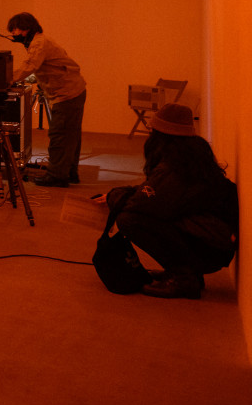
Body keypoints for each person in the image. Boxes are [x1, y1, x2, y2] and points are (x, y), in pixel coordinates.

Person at [101, 103, 238, 299]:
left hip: (210, 249)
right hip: (215, 244)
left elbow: (142, 204)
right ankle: (189, 273)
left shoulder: (174, 167)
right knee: (143, 213)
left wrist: (114, 196)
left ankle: (184, 278)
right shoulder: (190, 156)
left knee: (129, 220)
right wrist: (123, 193)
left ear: (161, 134)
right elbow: (155, 192)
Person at [6, 12, 87, 188]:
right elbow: (45, 68)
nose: (12, 34)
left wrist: (7, 79)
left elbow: (30, 65)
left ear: (26, 28)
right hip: (74, 90)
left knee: (60, 135)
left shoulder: (38, 43)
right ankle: (69, 172)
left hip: (66, 94)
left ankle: (57, 176)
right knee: (71, 136)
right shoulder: (40, 41)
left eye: (14, 29)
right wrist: (26, 79)